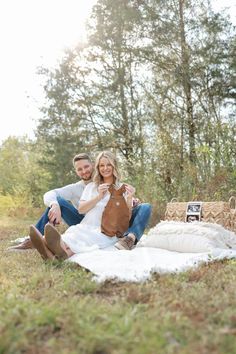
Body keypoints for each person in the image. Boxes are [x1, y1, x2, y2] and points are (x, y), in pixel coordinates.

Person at [8, 151, 151, 252]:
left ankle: (129, 238)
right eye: (79, 169)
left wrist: (130, 200)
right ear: (76, 172)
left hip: (110, 223)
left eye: (86, 167)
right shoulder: (78, 188)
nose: (84, 171)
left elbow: (122, 208)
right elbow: (51, 194)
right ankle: (34, 240)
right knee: (56, 201)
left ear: (93, 165)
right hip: (84, 220)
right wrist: (55, 204)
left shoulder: (117, 184)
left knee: (144, 207)